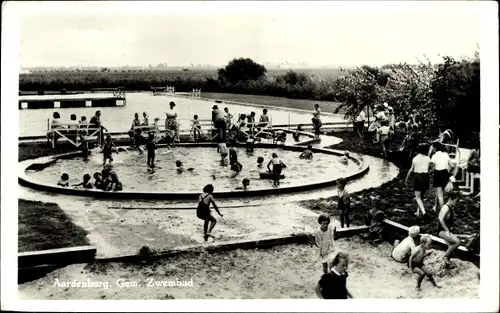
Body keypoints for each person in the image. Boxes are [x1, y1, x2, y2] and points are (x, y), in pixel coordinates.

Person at [405, 143, 430, 216]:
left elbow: (411, 169)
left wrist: (407, 178)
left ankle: (424, 212)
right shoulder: (428, 158)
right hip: (426, 177)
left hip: (418, 177)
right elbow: (429, 168)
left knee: (417, 197)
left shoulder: (415, 158)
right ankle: (418, 212)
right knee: (421, 196)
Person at [438, 191, 461, 267]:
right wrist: (447, 230)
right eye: (455, 201)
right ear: (451, 199)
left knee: (450, 247)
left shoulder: (448, 207)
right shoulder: (446, 208)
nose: (456, 203)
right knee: (457, 242)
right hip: (442, 231)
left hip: (443, 230)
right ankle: (445, 257)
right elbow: (441, 219)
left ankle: (446, 265)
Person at [430, 141, 454, 212]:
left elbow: (433, 168)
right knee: (440, 192)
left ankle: (442, 212)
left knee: (440, 195)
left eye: (433, 147)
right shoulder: (446, 154)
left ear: (435, 148)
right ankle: (435, 206)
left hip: (438, 174)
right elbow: (452, 165)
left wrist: (431, 171)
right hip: (445, 173)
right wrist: (449, 171)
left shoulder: (434, 156)